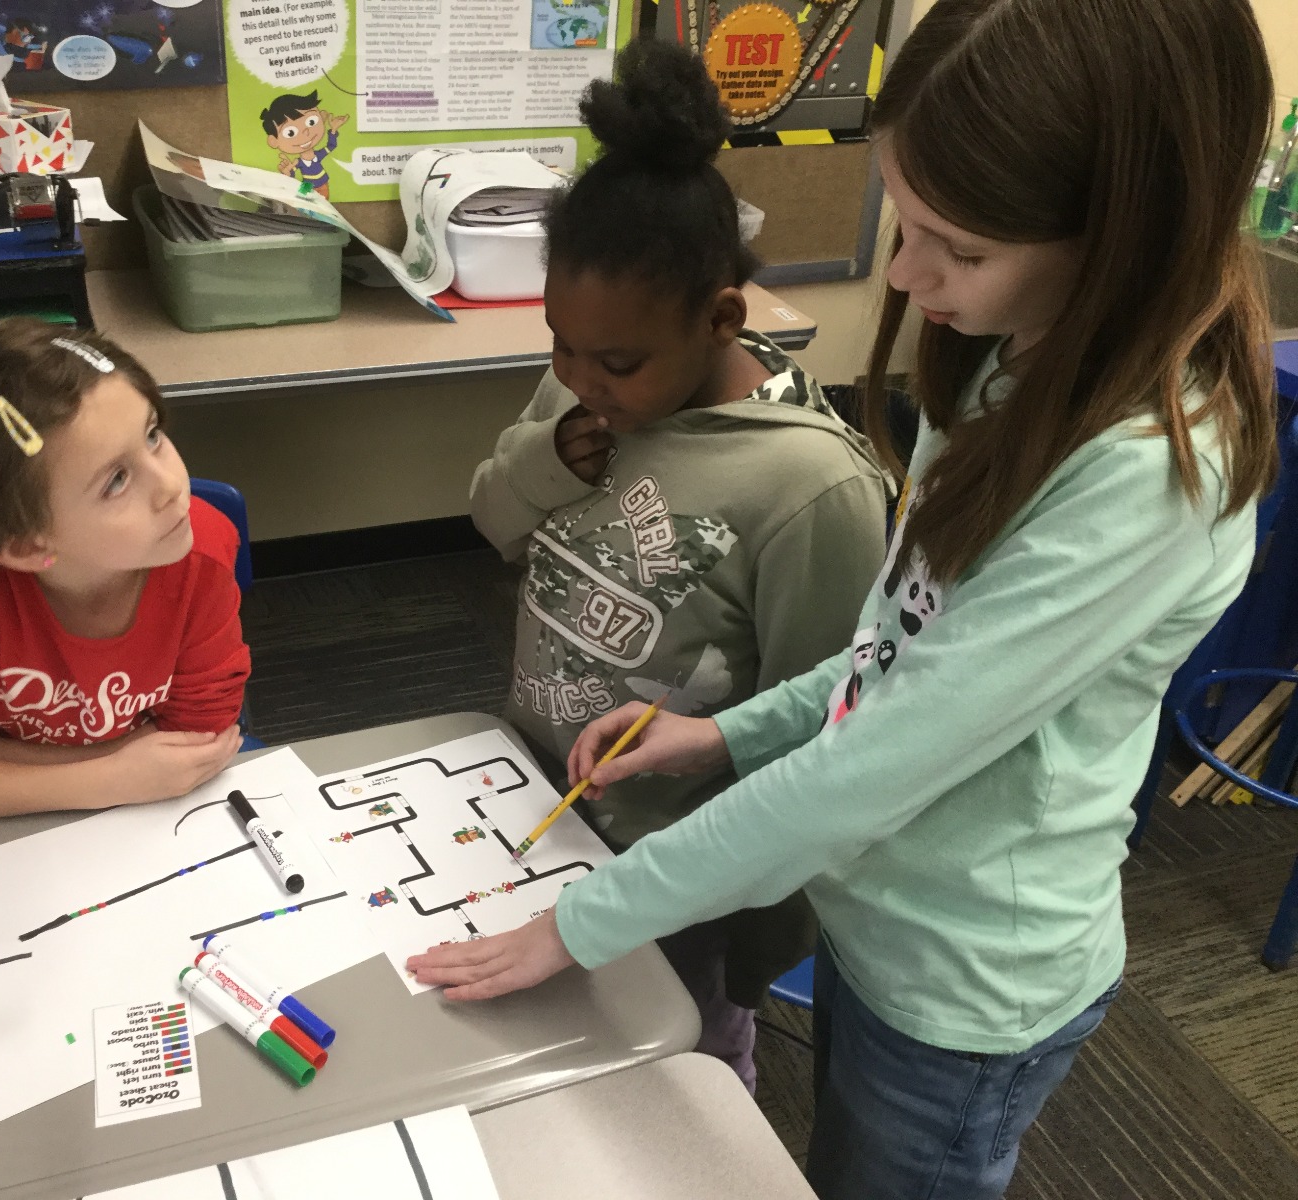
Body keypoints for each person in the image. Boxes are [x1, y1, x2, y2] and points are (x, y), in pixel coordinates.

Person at [409, 1, 1278, 1195]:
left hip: (965, 979)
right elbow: (898, 652)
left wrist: (577, 923)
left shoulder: (1141, 477)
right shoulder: (1016, 362)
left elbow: (877, 764)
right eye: (903, 217)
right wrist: (723, 730)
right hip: (876, 920)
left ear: (1126, 235)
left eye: (956, 249)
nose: (906, 277)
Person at [470, 39, 888, 1091]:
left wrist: (757, 940)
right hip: (537, 803)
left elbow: (825, 727)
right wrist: (542, 460)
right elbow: (491, 522)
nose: (579, 377)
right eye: (557, 342)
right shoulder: (579, 394)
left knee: (681, 1069)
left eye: (614, 361)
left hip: (682, 876)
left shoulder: (808, 488)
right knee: (552, 1060)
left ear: (720, 318)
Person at [0, 319, 250, 819]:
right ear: (25, 546)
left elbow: (194, 748)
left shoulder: (200, 552)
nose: (172, 486)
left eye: (152, 434)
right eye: (116, 480)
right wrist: (108, 775)